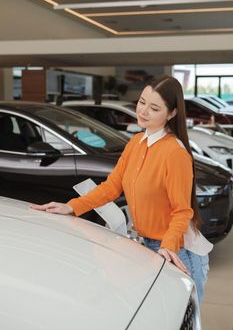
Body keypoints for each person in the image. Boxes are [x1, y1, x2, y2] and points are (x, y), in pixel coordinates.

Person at [31, 75, 213, 303]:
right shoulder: (135, 143)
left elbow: (182, 212)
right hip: (150, 244)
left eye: (154, 108)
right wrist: (71, 206)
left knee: (181, 318)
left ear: (172, 114)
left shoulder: (175, 153)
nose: (143, 111)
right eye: (141, 102)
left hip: (179, 251)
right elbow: (112, 186)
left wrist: (168, 247)